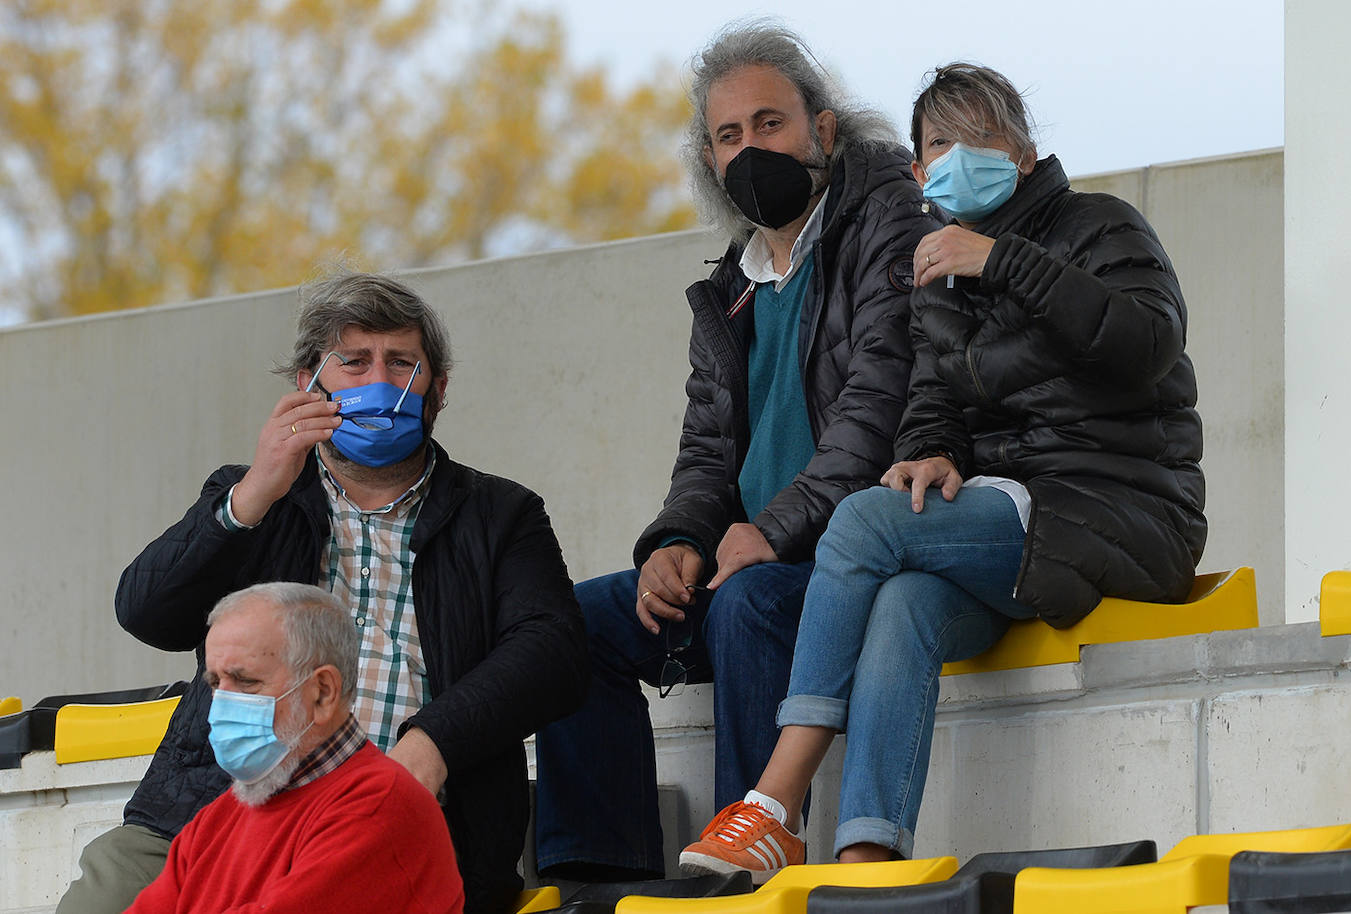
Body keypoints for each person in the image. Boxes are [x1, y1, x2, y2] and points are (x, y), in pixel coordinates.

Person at [679, 62, 1207, 881]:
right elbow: (930, 400)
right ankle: (866, 859)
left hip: (1117, 512)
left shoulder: (1101, 226)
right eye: (939, 144)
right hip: (1006, 523)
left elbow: (1144, 344)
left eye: (982, 138)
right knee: (904, 601)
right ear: (921, 170)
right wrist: (931, 451)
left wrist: (1003, 262)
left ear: (1024, 153)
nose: (960, 156)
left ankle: (775, 801)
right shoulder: (941, 273)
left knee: (859, 520)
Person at [535, 23, 941, 881]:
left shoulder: (889, 221)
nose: (750, 148)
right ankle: (600, 879)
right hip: (750, 564)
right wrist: (675, 542)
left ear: (823, 130)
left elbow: (879, 406)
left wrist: (776, 530)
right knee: (569, 625)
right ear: (708, 159)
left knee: (748, 603)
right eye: (728, 136)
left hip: (847, 562)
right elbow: (705, 454)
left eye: (770, 124)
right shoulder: (731, 286)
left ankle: (747, 861)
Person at [58, 271, 586, 914]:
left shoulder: (501, 513)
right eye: (354, 363)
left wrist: (433, 742)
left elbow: (553, 652)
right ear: (308, 384)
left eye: (402, 364)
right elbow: (146, 613)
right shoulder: (255, 496)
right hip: (207, 815)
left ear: (438, 390)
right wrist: (253, 493)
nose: (379, 383)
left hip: (402, 822)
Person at [127, 582, 464, 913]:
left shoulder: (382, 806)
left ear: (323, 692)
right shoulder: (217, 819)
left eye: (246, 682)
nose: (222, 705)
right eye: (216, 683)